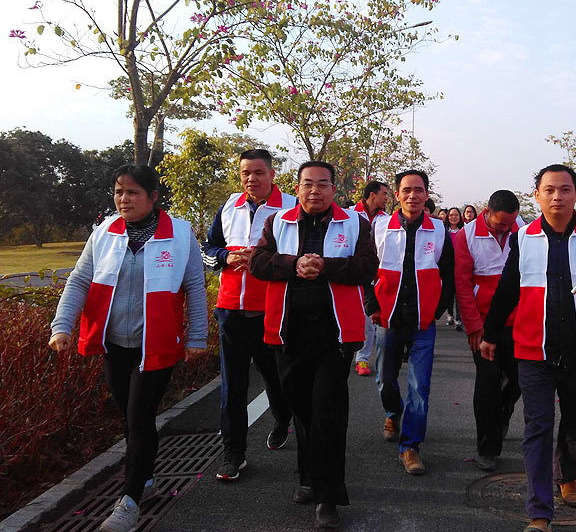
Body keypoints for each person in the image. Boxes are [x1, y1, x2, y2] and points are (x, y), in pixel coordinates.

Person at [50, 165, 207, 532]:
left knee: (138, 418)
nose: (124, 199)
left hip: (156, 346)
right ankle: (146, 478)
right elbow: (79, 280)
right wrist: (62, 326)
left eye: (133, 193)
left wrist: (198, 336)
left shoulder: (179, 235)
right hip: (114, 344)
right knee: (131, 417)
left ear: (153, 197)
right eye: (119, 192)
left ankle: (130, 500)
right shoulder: (104, 233)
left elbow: (195, 288)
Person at [483, 164, 576, 532]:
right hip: (534, 351)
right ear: (537, 196)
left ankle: (568, 475)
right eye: (549, 190)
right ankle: (539, 512)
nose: (557, 196)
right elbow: (507, 290)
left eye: (564, 189)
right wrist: (489, 333)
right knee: (537, 426)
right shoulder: (524, 237)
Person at [250, 161, 378, 529]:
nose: (315, 191)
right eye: (308, 184)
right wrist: (293, 264)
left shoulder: (356, 224)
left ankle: (328, 497)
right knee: (303, 411)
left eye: (323, 184)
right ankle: (308, 476)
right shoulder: (278, 222)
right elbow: (258, 263)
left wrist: (324, 267)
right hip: (289, 335)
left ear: (334, 190)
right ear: (298, 187)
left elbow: (368, 267)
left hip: (335, 338)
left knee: (327, 414)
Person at [202, 149, 295, 481]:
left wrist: (263, 258)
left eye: (258, 172)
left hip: (274, 311)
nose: (251, 179)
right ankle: (234, 454)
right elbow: (209, 248)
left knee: (276, 378)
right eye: (245, 173)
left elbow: (300, 257)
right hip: (231, 309)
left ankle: (283, 416)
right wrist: (226, 258)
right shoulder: (230, 205)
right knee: (233, 385)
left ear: (272, 175)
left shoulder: (290, 209)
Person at [366, 169, 454, 475]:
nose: (412, 195)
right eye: (406, 190)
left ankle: (410, 446)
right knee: (384, 378)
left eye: (418, 190)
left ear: (427, 194)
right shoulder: (379, 226)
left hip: (422, 322)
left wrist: (436, 310)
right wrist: (371, 305)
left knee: (420, 385)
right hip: (387, 319)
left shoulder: (440, 230)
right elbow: (367, 268)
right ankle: (392, 412)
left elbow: (448, 274)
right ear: (397, 194)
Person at [454, 190, 522, 472]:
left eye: (511, 224)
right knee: (488, 386)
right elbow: (462, 284)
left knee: (520, 382)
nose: (507, 229)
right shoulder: (465, 236)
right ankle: (487, 448)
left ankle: (502, 417)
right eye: (502, 224)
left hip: (519, 324)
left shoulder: (523, 233)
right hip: (484, 327)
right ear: (487, 212)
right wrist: (473, 327)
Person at [352, 180, 390, 377]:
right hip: (350, 270)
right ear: (373, 194)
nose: (386, 198)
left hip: (374, 274)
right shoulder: (350, 214)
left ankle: (363, 359)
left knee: (369, 317)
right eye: (384, 194)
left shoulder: (387, 219)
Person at [445, 207, 464, 330]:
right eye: (451, 215)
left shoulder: (464, 231)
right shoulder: (443, 231)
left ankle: (458, 319)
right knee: (449, 293)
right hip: (447, 267)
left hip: (460, 266)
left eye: (456, 215)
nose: (453, 217)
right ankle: (450, 314)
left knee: (459, 294)